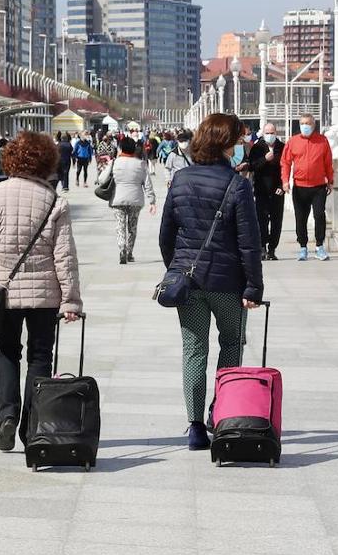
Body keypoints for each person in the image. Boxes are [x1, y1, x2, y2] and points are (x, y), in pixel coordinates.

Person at [0, 132, 83, 451]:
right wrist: (71, 300)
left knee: (6, 351)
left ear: (10, 159)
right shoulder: (56, 201)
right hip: (45, 292)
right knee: (40, 356)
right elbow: (64, 256)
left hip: (2, 288)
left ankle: (7, 417)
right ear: (47, 162)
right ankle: (32, 423)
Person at [159, 113, 264, 450]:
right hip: (229, 284)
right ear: (226, 144)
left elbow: (166, 236)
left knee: (193, 350)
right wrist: (254, 287)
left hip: (189, 285)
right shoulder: (238, 184)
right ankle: (220, 413)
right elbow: (249, 241)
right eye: (239, 140)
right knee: (231, 343)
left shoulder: (181, 179)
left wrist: (178, 270)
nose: (242, 146)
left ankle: (194, 428)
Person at [281, 114, 333, 262]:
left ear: (313, 125)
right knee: (301, 218)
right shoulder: (293, 142)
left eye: (308, 123)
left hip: (318, 187)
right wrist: (285, 181)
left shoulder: (322, 141)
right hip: (300, 186)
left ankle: (319, 247)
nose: (305, 126)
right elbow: (285, 163)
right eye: (303, 123)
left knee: (319, 215)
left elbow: (328, 162)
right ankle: (303, 247)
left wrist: (330, 181)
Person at [110, 136, 157, 264]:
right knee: (132, 227)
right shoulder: (140, 164)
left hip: (118, 199)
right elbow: (147, 184)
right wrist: (152, 201)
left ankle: (122, 249)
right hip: (135, 200)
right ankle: (129, 252)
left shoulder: (115, 163)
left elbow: (103, 179)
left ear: (121, 148)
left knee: (120, 226)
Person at [249, 123, 285, 260]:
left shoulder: (282, 147)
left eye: (272, 132)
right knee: (261, 221)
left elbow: (286, 168)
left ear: (276, 133)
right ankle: (262, 247)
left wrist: (282, 186)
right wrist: (265, 159)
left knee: (277, 221)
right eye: (267, 133)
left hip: (277, 190)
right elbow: (252, 166)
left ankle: (272, 249)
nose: (270, 135)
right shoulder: (257, 147)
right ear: (263, 134)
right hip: (261, 190)